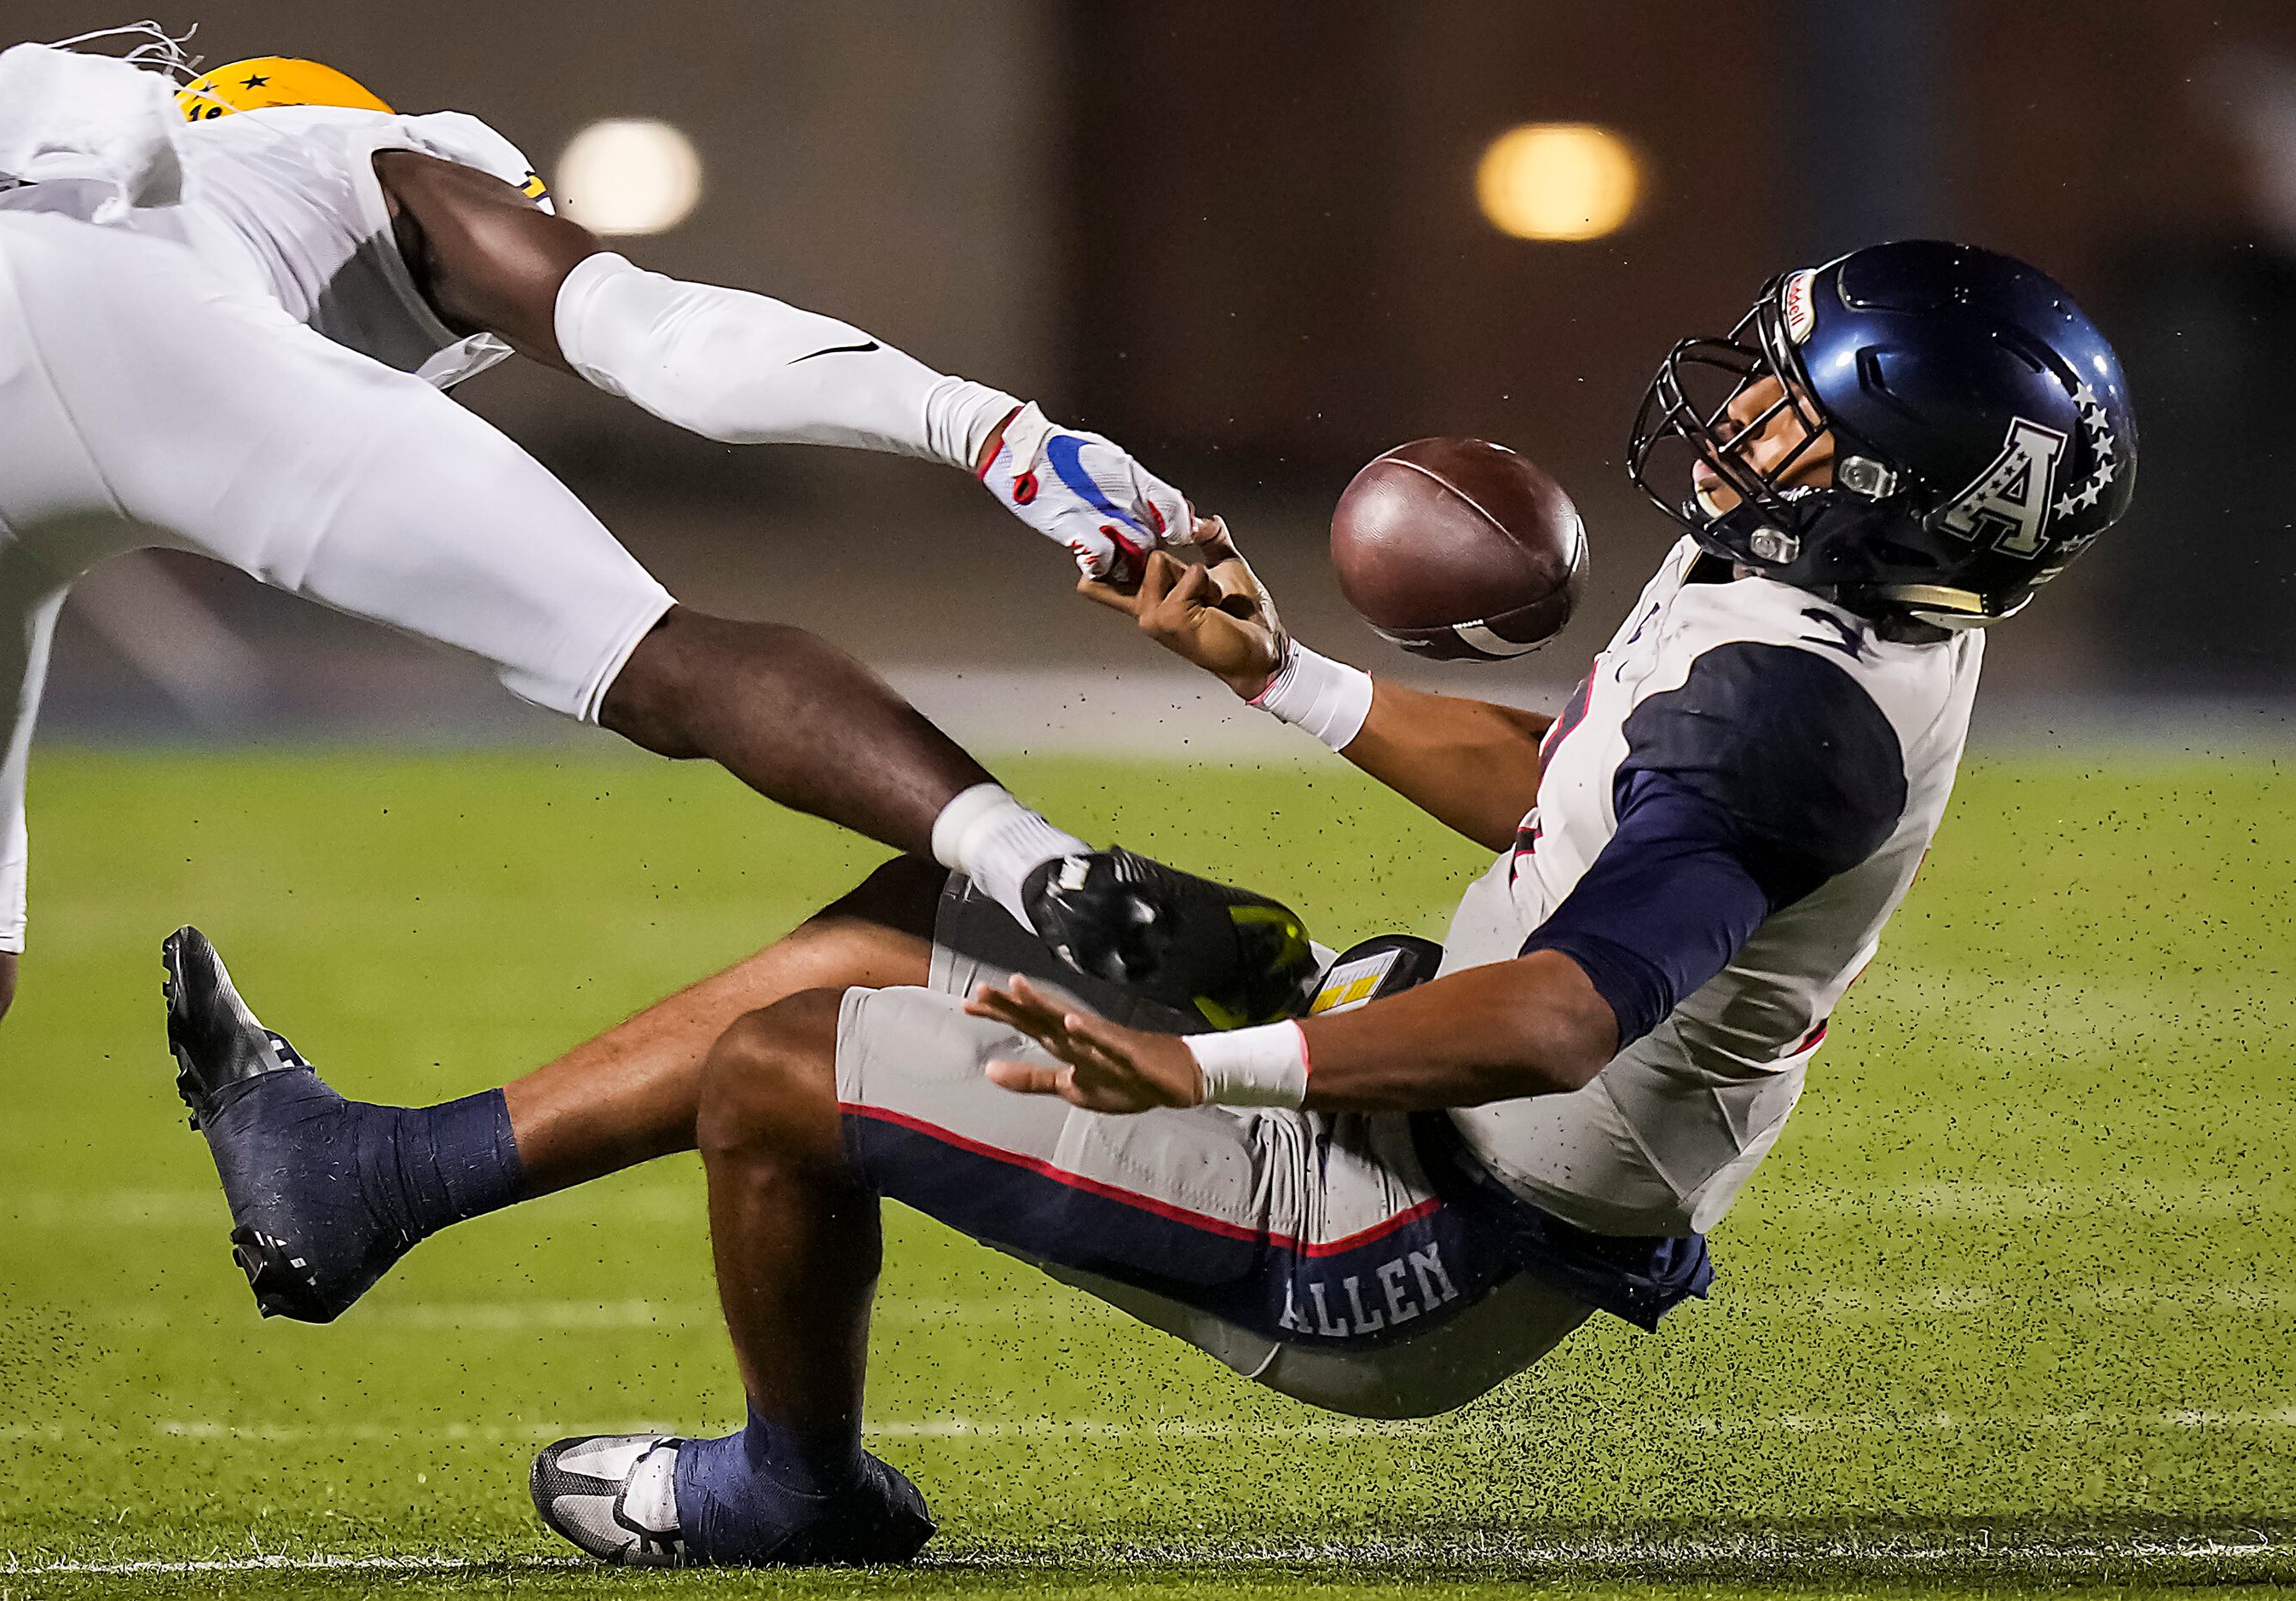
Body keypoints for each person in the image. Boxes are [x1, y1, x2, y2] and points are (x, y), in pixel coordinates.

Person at [165, 238, 2137, 1566]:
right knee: (915, 919)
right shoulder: (1833, 608)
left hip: (1423, 1240)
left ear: (1905, 490)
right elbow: (1570, 796)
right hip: (1425, 1117)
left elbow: (1555, 1012)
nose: (1739, 418)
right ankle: (373, 1182)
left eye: (1796, 413)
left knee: (787, 1072)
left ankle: (795, 1492)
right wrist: (1271, 672)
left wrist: (1196, 1072)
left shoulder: (1798, 713)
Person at [0, 32, 1288, 1101]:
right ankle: (1039, 869)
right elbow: (665, 343)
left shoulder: (46, 175)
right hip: (119, 336)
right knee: (664, 656)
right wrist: (989, 430)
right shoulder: (363, 162)